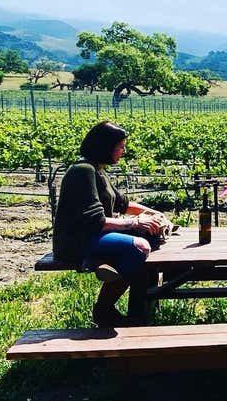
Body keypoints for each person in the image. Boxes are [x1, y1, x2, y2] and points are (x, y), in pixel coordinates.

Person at [53, 121, 171, 328]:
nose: (123, 151)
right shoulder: (82, 172)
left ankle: (136, 307)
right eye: (120, 146)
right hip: (77, 242)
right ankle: (103, 309)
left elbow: (123, 203)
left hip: (94, 236)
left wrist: (155, 215)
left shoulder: (98, 170)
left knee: (150, 235)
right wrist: (135, 222)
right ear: (105, 146)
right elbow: (95, 221)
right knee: (139, 247)